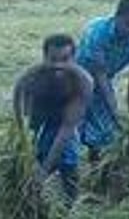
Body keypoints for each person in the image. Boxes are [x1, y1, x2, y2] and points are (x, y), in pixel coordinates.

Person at [12, 34, 93, 204]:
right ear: (44, 57)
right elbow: (21, 112)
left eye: (65, 59)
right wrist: (23, 143)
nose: (58, 66)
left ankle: (70, 203)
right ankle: (28, 200)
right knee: (32, 158)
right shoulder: (32, 78)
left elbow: (67, 129)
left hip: (64, 122)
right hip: (39, 118)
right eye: (53, 59)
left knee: (68, 160)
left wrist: (44, 171)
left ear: (74, 58)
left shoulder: (82, 82)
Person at [76, 0, 129, 162]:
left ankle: (95, 166)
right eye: (127, 24)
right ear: (116, 17)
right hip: (75, 80)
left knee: (103, 132)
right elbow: (99, 74)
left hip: (103, 81)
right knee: (72, 125)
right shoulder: (97, 32)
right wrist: (116, 113)